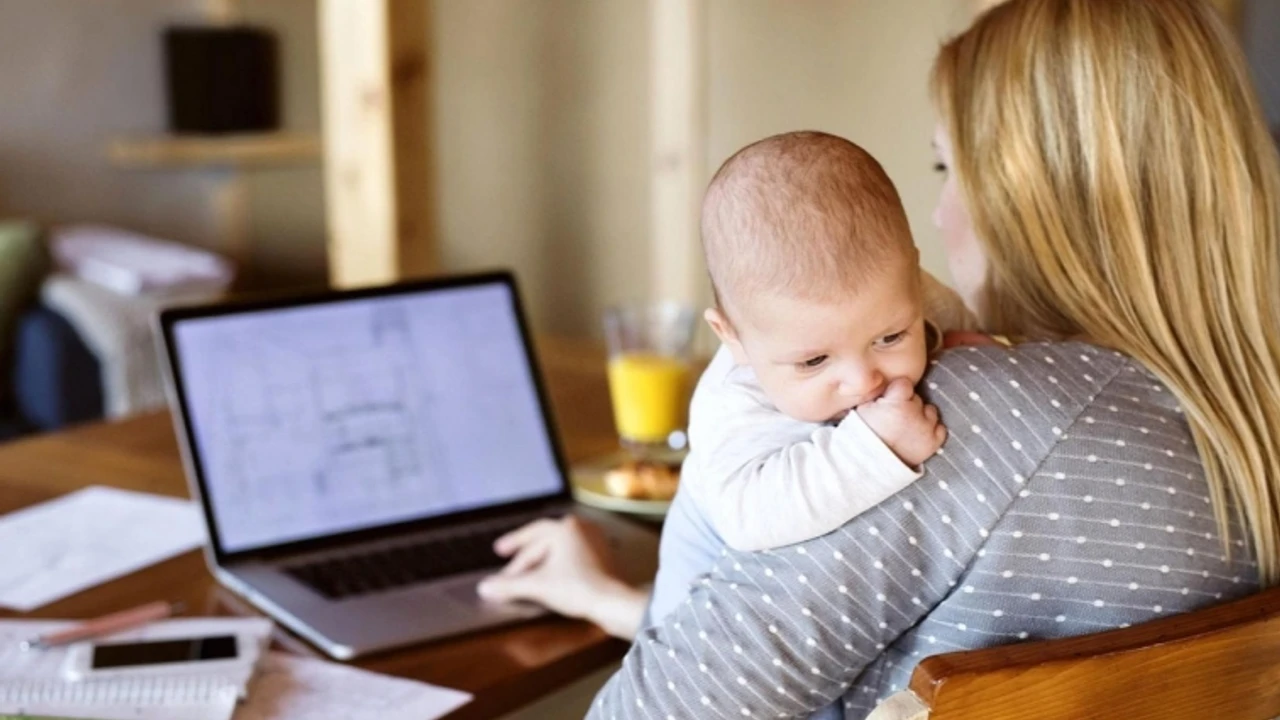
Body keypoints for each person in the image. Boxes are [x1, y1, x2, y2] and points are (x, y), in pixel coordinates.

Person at [482, 0, 1280, 717]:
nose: (937, 212)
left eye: (947, 167)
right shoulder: (1240, 420)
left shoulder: (969, 421)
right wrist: (623, 603)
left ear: (1028, 196)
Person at [685, 130, 975, 554]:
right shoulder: (734, 401)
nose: (862, 381)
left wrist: (980, 342)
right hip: (701, 571)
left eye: (891, 337)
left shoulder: (902, 293)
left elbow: (963, 325)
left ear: (914, 276)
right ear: (732, 337)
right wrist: (876, 447)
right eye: (814, 361)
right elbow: (747, 519)